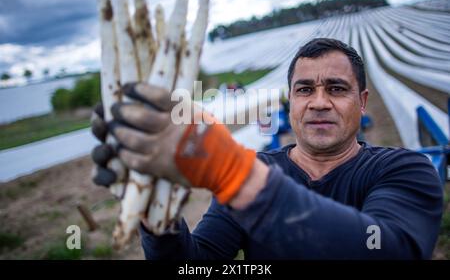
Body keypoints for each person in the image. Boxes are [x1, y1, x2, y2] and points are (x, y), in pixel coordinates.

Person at [91, 38, 443, 259]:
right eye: (304, 90)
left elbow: (393, 251)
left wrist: (234, 174)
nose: (319, 102)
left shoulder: (404, 169)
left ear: (362, 102)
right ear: (290, 102)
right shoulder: (261, 168)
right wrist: (157, 213)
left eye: (336, 89)